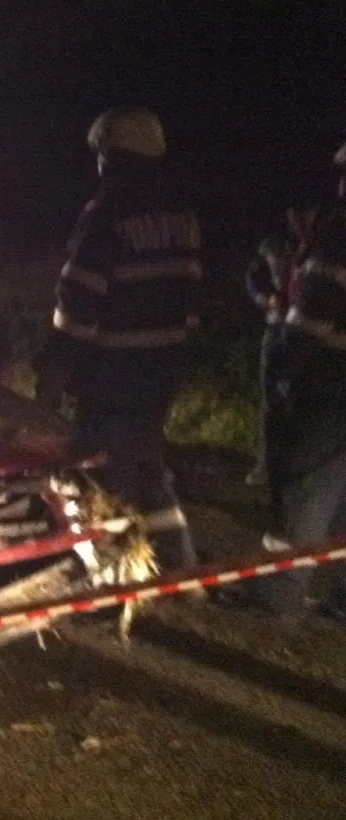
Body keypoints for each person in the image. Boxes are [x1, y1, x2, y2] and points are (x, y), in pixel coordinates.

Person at [42, 107, 204, 572]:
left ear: (111, 158)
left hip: (112, 377)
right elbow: (191, 299)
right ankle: (180, 564)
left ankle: (111, 577)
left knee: (101, 479)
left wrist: (54, 373)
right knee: (148, 464)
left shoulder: (106, 216)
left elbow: (78, 305)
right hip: (163, 371)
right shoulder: (183, 218)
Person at [221, 145, 346, 621]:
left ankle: (276, 596)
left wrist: (289, 371)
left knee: (304, 489)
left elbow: (313, 314)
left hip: (330, 379)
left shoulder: (339, 233)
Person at [243, 203, 308, 488]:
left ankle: (298, 464)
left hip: (308, 334)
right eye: (295, 213)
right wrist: (267, 298)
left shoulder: (320, 246)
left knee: (300, 399)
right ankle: (268, 464)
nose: (299, 219)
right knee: (272, 400)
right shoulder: (273, 246)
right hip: (278, 330)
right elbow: (254, 279)